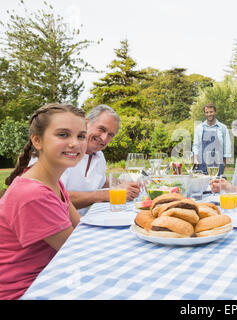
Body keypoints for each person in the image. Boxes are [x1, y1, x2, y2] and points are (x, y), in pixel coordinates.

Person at [0, 103, 87, 299]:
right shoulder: (33, 194)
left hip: (49, 278)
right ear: (37, 141)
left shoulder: (52, 182)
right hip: (24, 291)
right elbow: (77, 253)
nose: (75, 143)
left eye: (81, 136)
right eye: (63, 135)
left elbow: (79, 230)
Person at [30, 104, 140, 215]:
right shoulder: (63, 153)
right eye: (101, 129)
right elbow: (51, 196)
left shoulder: (99, 156)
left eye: (110, 134)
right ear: (86, 123)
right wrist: (107, 194)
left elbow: (99, 180)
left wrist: (124, 184)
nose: (104, 138)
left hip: (82, 221)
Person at [192, 103, 232, 176]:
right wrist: (195, 159)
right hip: (201, 163)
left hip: (217, 163)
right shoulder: (199, 128)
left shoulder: (222, 128)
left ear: (215, 112)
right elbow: (196, 145)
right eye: (207, 112)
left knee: (216, 185)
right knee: (201, 185)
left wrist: (224, 163)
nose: (209, 114)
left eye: (211, 112)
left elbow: (227, 146)